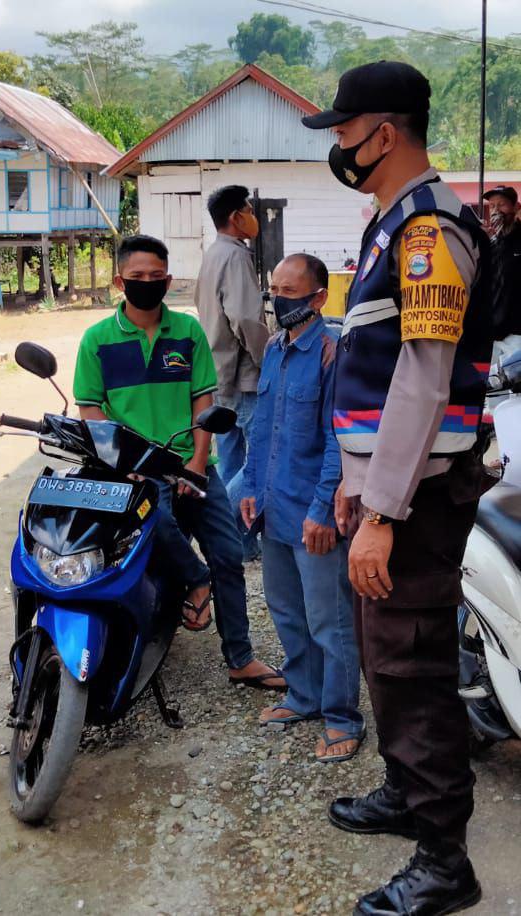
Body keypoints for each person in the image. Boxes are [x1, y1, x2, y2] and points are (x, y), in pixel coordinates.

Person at [303, 61, 495, 915]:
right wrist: (353, 484)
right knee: (386, 658)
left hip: (417, 502)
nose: (339, 145)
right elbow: (374, 379)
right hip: (387, 489)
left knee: (412, 668)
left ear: (386, 131)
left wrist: (381, 510)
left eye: (345, 131)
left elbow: (423, 382)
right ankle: (403, 792)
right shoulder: (389, 223)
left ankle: (444, 858)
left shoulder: (429, 232)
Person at [74, 234, 285, 691]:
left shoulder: (187, 332)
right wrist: (118, 464)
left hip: (191, 462)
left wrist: (196, 460)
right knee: (158, 527)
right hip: (132, 471)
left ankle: (240, 657)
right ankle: (194, 581)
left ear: (168, 281)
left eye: (156, 277)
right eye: (137, 277)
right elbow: (91, 410)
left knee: (229, 552)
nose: (147, 284)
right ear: (119, 281)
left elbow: (203, 402)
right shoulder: (98, 340)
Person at [239, 253, 363, 762]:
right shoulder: (273, 348)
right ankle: (303, 696)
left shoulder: (335, 352)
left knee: (329, 623)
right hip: (274, 509)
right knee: (287, 612)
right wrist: (249, 485)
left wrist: (321, 510)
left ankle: (341, 717)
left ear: (317, 298)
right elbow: (260, 425)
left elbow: (341, 440)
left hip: (315, 514)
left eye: (290, 292)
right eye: (274, 290)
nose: (278, 299)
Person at [195, 185, 270, 559]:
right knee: (260, 460)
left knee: (231, 463)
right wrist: (268, 360)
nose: (253, 217)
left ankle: (237, 544)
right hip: (245, 376)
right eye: (249, 210)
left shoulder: (213, 255)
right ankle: (222, 528)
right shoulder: (236, 257)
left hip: (217, 371)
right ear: (237, 217)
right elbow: (244, 318)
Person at [483, 185, 521, 361]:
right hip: (491, 335)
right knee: (491, 384)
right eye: (492, 206)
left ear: (516, 207)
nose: (496, 210)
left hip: (517, 335)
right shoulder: (490, 243)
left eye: (502, 205)